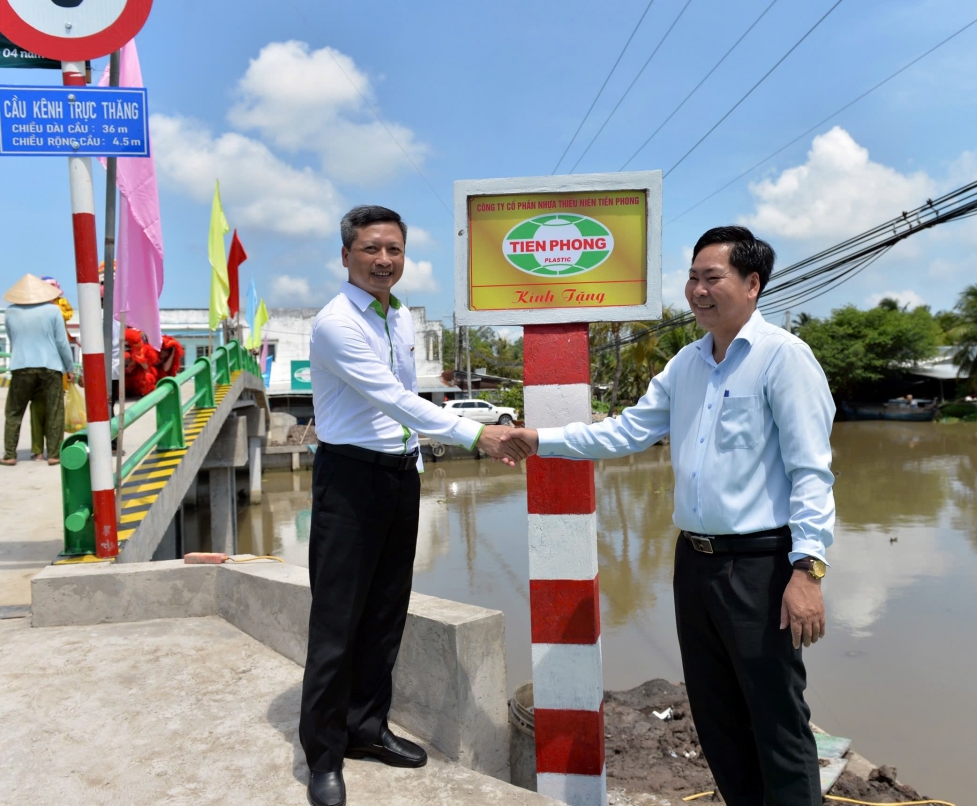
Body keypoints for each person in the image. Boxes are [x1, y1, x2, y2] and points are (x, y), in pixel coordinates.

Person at [504, 226, 836, 806]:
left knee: (777, 717)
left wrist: (808, 570)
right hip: (696, 562)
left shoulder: (785, 359)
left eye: (714, 278)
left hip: (761, 566)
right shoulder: (687, 364)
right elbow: (627, 430)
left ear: (753, 284)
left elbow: (812, 471)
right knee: (716, 717)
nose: (698, 291)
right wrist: (540, 439)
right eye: (693, 278)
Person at [300, 205, 530, 806]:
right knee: (336, 625)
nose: (383, 261)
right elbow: (395, 399)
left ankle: (367, 730)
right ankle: (323, 757)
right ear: (346, 255)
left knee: (384, 616)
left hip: (399, 478)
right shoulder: (336, 323)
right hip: (348, 481)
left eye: (394, 251)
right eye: (371, 249)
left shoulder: (398, 316)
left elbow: (403, 409)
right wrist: (478, 433)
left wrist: (419, 462)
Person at [3, 275, 75, 467]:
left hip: (21, 366)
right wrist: (70, 368)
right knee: (54, 411)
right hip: (50, 367)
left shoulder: (10, 313)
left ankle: (10, 454)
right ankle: (53, 454)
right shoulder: (53, 311)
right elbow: (62, 343)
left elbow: (13, 338)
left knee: (14, 412)